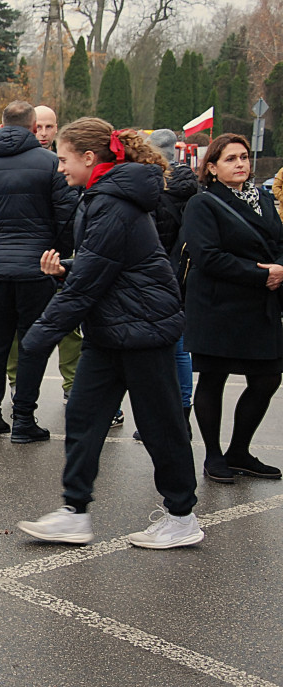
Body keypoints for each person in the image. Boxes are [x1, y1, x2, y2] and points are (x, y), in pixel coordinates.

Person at [16, 118, 203, 549]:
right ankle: (74, 512)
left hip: (143, 330)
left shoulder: (113, 202)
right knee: (83, 416)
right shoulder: (99, 196)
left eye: (63, 159)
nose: (59, 167)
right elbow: (100, 267)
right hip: (110, 329)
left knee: (160, 426)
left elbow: (91, 282)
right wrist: (66, 269)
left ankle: (181, 516)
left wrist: (37, 337)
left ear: (89, 157)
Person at [0, 100, 77, 442]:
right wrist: (53, 253)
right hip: (37, 268)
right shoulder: (51, 164)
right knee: (31, 345)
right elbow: (67, 217)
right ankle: (24, 418)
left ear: (1, 125)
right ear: (31, 127)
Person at [181, 133, 283, 483]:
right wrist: (261, 274)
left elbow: (279, 242)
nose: (241, 163)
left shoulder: (264, 200)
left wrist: (279, 268)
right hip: (218, 305)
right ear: (211, 168)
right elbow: (207, 256)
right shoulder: (202, 204)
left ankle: (239, 450)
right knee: (214, 377)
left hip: (261, 305)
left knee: (268, 377)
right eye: (230, 159)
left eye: (243, 157)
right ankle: (213, 456)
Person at [6, 103, 83, 407]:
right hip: (22, 263)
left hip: (61, 261)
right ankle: (16, 383)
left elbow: (74, 215)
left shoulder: (66, 165)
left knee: (69, 328)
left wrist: (63, 255)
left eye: (49, 126)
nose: (43, 132)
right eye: (38, 126)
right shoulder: (9, 163)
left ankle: (73, 385)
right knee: (17, 329)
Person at [129, 128, 199, 441]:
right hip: (184, 277)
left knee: (152, 351)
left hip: (153, 278)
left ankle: (155, 421)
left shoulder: (152, 190)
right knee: (180, 349)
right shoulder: (193, 189)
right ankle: (182, 415)